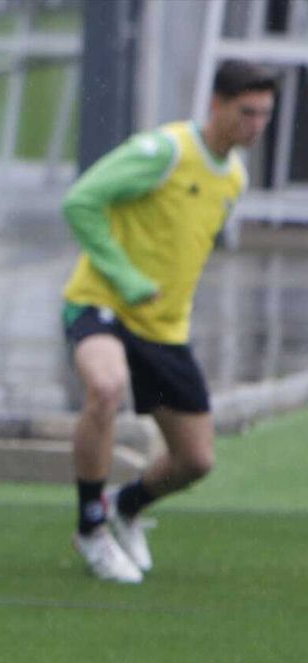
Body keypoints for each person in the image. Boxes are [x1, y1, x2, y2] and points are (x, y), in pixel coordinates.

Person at [63, 60, 276, 583]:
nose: (256, 125)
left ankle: (125, 506)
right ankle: (91, 527)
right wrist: (126, 275)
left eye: (264, 115)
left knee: (195, 460)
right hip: (102, 304)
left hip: (164, 330)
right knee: (106, 388)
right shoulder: (165, 152)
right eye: (246, 112)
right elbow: (81, 200)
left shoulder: (235, 179)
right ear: (217, 105)